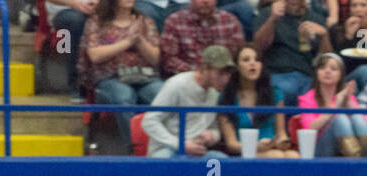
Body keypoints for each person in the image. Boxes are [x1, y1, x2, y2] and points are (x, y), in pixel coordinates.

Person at [83, 0, 162, 153]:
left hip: (144, 77)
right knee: (124, 96)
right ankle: (135, 149)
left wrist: (139, 40)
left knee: (161, 93)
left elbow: (155, 58)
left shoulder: (145, 21)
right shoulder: (97, 22)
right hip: (111, 78)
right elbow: (95, 55)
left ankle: (164, 147)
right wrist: (128, 41)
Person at [142, 43, 234, 156]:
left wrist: (212, 135)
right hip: (168, 148)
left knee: (221, 160)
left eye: (227, 73)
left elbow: (214, 128)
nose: (225, 79)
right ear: (204, 68)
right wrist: (180, 144)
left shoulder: (214, 93)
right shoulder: (177, 85)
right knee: (163, 158)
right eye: (220, 73)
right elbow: (149, 121)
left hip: (197, 152)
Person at [218, 43, 299, 156]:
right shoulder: (226, 97)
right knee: (276, 156)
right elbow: (231, 144)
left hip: (271, 148)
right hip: (243, 152)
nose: (253, 63)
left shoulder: (275, 93)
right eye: (246, 60)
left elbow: (281, 133)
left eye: (257, 60)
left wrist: (282, 142)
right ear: (237, 67)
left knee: (293, 156)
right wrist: (255, 146)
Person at [297, 51, 367, 155]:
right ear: (317, 72)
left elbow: (364, 121)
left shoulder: (345, 95)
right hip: (319, 149)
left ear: (340, 75)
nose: (327, 71)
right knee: (339, 117)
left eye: (333, 69)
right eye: (322, 68)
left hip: (343, 148)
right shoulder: (307, 98)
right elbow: (309, 128)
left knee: (356, 117)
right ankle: (357, 159)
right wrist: (334, 107)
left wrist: (348, 102)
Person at [253, 0, 330, 102]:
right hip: (278, 73)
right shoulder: (269, 13)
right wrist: (272, 19)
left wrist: (323, 36)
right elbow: (259, 47)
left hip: (308, 75)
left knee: (319, 96)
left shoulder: (316, 18)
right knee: (286, 90)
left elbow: (328, 60)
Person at [161, 0, 245, 78]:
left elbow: (239, 55)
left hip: (224, 78)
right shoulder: (174, 21)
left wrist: (221, 74)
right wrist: (197, 74)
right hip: (187, 78)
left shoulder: (230, 21)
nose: (205, 1)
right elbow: (169, 58)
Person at [45, 0, 96, 100]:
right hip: (65, 10)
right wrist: (74, 3)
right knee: (77, 21)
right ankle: (76, 84)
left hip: (101, 8)